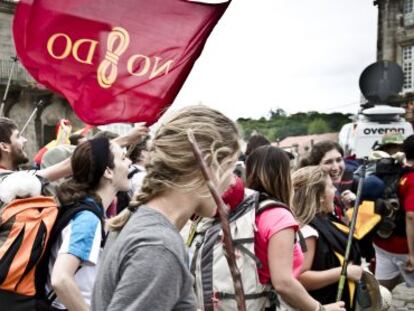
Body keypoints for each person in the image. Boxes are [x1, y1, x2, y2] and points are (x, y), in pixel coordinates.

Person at [91, 106, 240, 311]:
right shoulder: (159, 247)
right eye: (230, 167)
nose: (233, 181)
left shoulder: (139, 219)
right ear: (205, 165)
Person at [245, 145, 345, 311]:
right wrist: (321, 309)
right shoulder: (278, 215)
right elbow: (284, 283)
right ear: (281, 175)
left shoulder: (247, 209)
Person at [44, 137, 132, 311]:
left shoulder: (87, 209)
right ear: (108, 172)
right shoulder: (88, 218)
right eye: (123, 158)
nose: (129, 162)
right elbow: (61, 279)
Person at [292, 166, 363, 310]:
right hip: (323, 303)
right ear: (320, 197)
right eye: (331, 187)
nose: (335, 191)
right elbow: (300, 278)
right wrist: (345, 271)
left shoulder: (324, 218)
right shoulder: (308, 231)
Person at [373, 134, 414, 290]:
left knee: (382, 291)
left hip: (382, 242)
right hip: (404, 248)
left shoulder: (388, 172)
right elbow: (411, 216)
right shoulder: (411, 178)